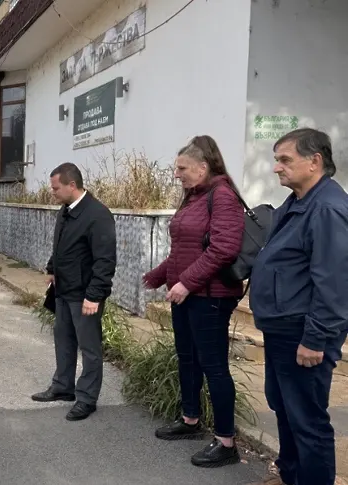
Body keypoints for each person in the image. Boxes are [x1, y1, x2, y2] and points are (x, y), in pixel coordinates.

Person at [247, 128, 348, 485]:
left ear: (315, 161)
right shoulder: (298, 202)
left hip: (303, 333)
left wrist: (316, 338)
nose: (276, 168)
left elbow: (334, 284)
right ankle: (290, 474)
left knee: (308, 419)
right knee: (285, 408)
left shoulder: (328, 209)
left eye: (285, 160)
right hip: (281, 329)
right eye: (276, 160)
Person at [142, 135, 246, 468]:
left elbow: (223, 249)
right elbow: (184, 249)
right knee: (187, 359)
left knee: (214, 367)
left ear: (203, 167)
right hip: (187, 295)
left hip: (210, 298)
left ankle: (226, 442)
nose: (177, 174)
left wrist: (186, 282)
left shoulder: (223, 197)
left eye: (182, 168)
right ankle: (190, 420)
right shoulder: (193, 198)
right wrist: (160, 275)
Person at [31, 162, 116, 422]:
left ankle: (87, 398)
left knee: (89, 348)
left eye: (56, 187)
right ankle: (63, 386)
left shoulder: (98, 215)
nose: (52, 192)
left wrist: (95, 295)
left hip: (84, 295)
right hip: (64, 290)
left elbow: (105, 260)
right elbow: (60, 244)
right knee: (63, 340)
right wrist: (51, 268)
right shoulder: (65, 210)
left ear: (71, 185)